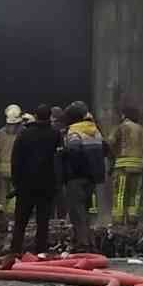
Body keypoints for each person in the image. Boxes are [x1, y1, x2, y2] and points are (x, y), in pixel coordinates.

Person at [9, 105, 60, 259]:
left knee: (21, 221)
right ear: (49, 116)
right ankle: (41, 251)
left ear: (36, 116)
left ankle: (15, 251)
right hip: (47, 184)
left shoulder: (24, 134)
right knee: (43, 221)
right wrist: (57, 182)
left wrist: (16, 183)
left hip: (25, 185)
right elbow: (59, 159)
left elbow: (15, 160)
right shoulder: (55, 134)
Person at [60, 101, 106, 249]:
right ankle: (90, 242)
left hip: (76, 176)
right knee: (85, 210)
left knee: (76, 211)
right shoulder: (95, 130)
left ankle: (83, 243)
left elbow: (73, 151)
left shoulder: (74, 131)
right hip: (92, 176)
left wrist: (62, 153)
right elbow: (105, 149)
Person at [108, 105, 143, 225]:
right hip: (138, 166)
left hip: (122, 166)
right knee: (135, 194)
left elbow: (111, 142)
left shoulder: (120, 128)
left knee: (120, 193)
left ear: (124, 115)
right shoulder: (142, 129)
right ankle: (133, 219)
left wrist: (113, 155)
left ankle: (118, 220)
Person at [0, 104, 23, 207]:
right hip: (18, 169)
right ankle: (14, 212)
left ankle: (3, 212)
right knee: (16, 193)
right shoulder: (23, 133)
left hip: (2, 169)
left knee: (3, 193)